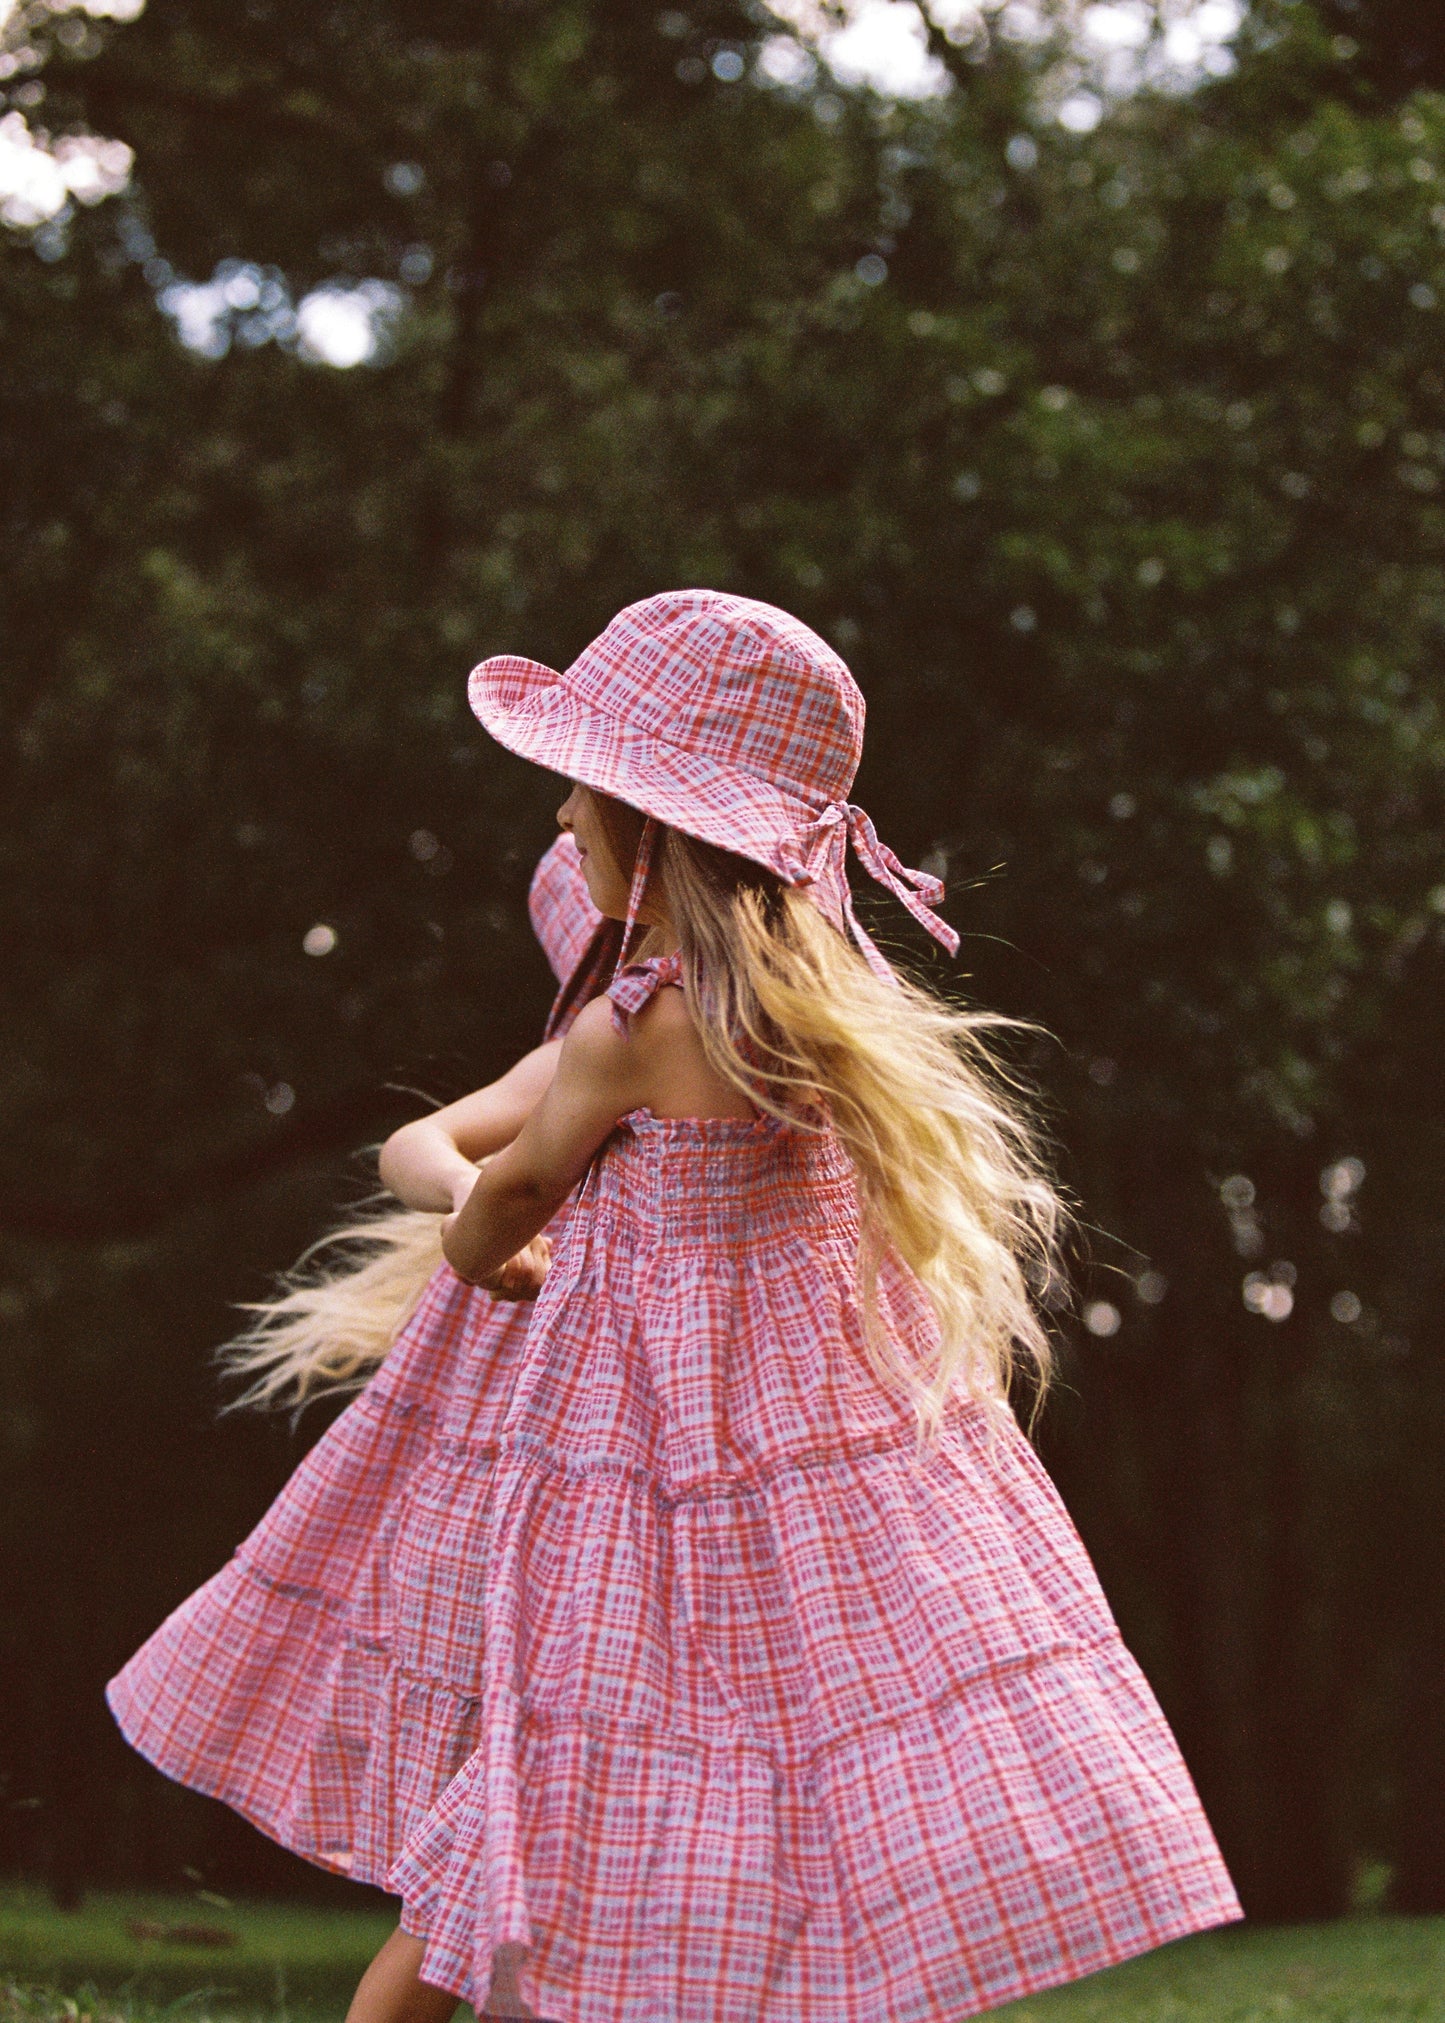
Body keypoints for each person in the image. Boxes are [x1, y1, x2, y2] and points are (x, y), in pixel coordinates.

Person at [353, 590, 1242, 2021]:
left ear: (653, 820)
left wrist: (474, 1247)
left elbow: (506, 1198)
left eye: (582, 782)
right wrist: (445, 1182)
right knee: (772, 1778)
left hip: (631, 1477)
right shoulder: (813, 1013)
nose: (562, 815)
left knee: (537, 1780)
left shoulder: (629, 1035)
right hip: (804, 1486)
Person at [104, 827, 613, 1917]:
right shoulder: (596, 1040)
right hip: (534, 1401)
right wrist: (473, 1202)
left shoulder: (739, 1039)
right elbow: (418, 1145)